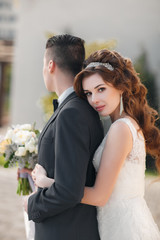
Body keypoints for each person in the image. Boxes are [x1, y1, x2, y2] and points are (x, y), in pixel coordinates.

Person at [32, 49, 160, 240]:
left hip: (122, 227)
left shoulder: (121, 129)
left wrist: (48, 182)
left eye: (101, 89)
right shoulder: (124, 124)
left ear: (121, 86)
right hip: (117, 221)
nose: (94, 100)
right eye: (88, 93)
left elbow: (100, 196)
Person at [23, 34, 104, 240]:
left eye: (43, 64)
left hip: (65, 231)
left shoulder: (72, 112)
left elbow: (69, 190)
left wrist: (31, 204)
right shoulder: (77, 107)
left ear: (50, 65)